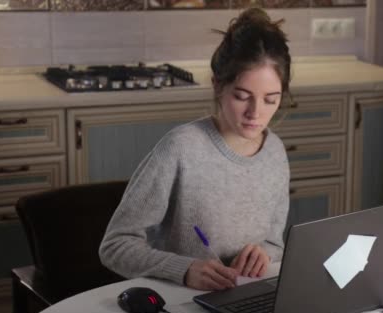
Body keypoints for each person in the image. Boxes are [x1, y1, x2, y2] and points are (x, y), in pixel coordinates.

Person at [99, 7, 291, 291]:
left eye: (270, 100)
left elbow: (275, 242)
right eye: (242, 96)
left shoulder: (275, 152)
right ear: (217, 86)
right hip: (180, 305)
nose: (256, 113)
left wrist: (263, 254)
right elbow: (114, 246)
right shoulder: (181, 149)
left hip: (243, 295)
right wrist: (184, 269)